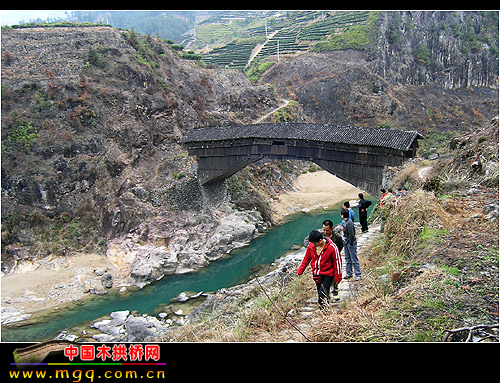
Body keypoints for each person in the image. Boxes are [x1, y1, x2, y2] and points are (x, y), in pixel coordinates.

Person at [297, 230, 342, 311]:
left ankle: (324, 311)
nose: (313, 245)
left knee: (322, 294)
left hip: (328, 274)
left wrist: (338, 276)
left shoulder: (332, 247)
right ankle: (325, 307)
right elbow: (306, 258)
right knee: (320, 292)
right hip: (317, 274)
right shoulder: (311, 246)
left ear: (320, 240)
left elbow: (337, 262)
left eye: (315, 243)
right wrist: (300, 270)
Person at [322, 220, 342, 301]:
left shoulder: (337, 237)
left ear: (332, 229)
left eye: (327, 230)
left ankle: (335, 291)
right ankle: (326, 295)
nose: (325, 232)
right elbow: (307, 241)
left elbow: (341, 246)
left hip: (334, 261)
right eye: (323, 229)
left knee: (335, 277)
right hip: (323, 261)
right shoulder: (320, 236)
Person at [342, 210, 361, 281]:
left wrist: (350, 243)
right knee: (347, 258)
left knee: (354, 259)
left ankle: (358, 274)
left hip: (350, 243)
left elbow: (352, 235)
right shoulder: (345, 222)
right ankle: (349, 273)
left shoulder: (349, 223)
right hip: (346, 242)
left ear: (342, 215)